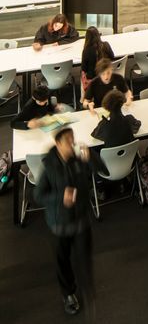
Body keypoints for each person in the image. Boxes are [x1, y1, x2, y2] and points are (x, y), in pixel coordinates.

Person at [34, 126, 95, 317]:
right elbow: (38, 195)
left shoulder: (77, 160)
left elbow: (91, 178)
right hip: (59, 224)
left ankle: (85, 288)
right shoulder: (50, 166)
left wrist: (89, 161)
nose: (72, 143)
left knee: (84, 257)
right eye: (68, 140)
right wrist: (61, 197)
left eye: (73, 138)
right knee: (63, 261)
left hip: (81, 220)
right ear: (58, 143)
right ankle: (68, 294)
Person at [80, 27, 114, 94]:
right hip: (106, 74)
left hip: (93, 78)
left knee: (81, 73)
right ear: (98, 35)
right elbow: (112, 57)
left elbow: (84, 68)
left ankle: (83, 99)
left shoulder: (86, 50)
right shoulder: (106, 45)